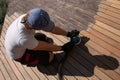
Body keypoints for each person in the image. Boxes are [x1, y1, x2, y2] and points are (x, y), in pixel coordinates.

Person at [5, 8, 79, 65]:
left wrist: (68, 34)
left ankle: (34, 48)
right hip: (20, 55)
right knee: (50, 57)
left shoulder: (28, 17)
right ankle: (32, 61)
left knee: (43, 37)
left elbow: (52, 28)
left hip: (22, 43)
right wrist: (63, 48)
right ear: (34, 27)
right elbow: (47, 47)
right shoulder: (23, 38)